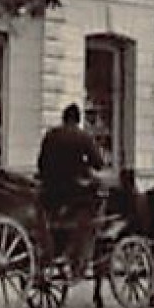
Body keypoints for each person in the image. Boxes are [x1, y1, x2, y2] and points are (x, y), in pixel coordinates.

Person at [37, 103, 105, 275]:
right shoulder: (82, 137)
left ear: (63, 118)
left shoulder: (51, 135)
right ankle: (81, 245)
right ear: (78, 119)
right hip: (74, 191)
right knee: (97, 200)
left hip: (49, 190)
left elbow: (41, 163)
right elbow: (99, 163)